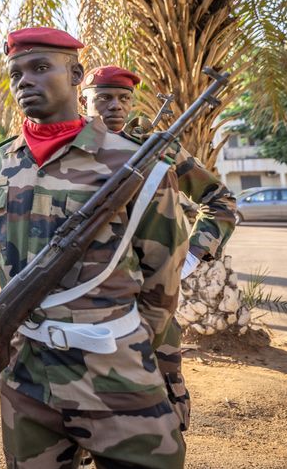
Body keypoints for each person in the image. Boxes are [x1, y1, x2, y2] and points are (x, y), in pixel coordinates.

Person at [0, 28, 188, 469]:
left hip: (116, 371)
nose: (25, 81)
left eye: (41, 68)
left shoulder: (134, 165)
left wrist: (117, 339)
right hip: (26, 374)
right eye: (16, 72)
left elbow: (162, 281)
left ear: (76, 75)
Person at [79, 64, 237, 432]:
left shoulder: (158, 148)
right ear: (82, 101)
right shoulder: (68, 153)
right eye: (103, 98)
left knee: (160, 408)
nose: (115, 106)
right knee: (82, 410)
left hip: (150, 301)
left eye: (124, 98)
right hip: (84, 301)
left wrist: (194, 253)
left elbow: (220, 199)